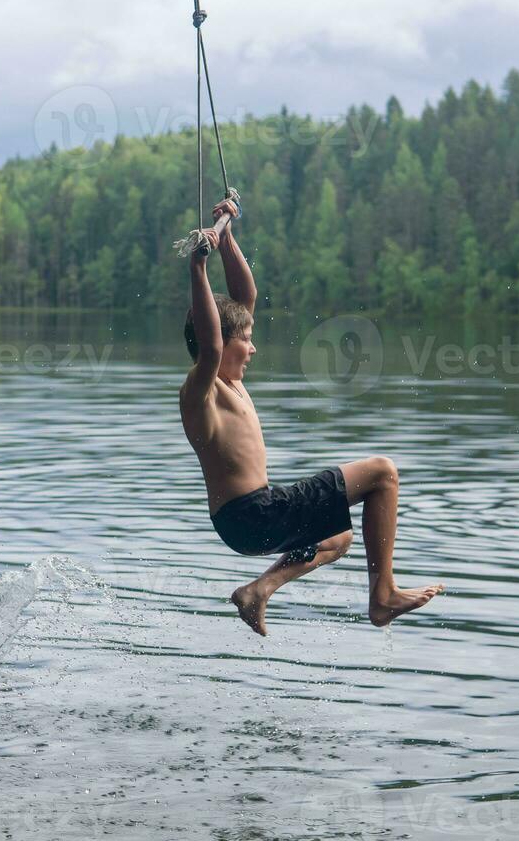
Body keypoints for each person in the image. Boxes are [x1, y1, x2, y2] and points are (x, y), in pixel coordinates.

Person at [178, 198, 444, 636]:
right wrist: (198, 268)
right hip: (253, 513)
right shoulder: (201, 390)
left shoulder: (231, 379)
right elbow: (211, 344)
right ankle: (383, 597)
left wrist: (227, 240)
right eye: (245, 340)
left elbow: (245, 298)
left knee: (337, 539)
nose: (254, 347)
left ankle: (258, 591)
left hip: (246, 521)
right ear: (223, 345)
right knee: (383, 473)